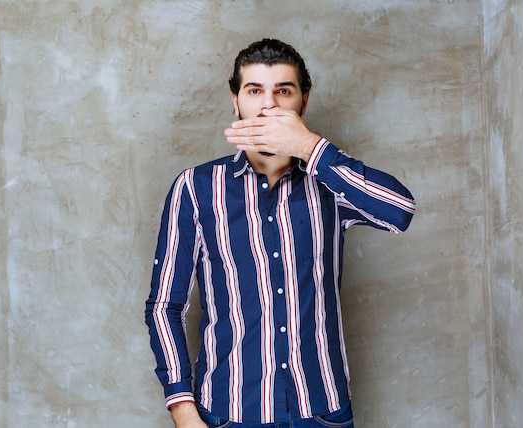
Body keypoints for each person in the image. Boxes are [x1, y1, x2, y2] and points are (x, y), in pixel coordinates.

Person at [145, 38, 416, 428]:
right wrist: (182, 408)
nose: (268, 105)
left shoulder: (331, 185)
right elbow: (165, 306)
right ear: (235, 100)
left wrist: (309, 146)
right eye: (254, 91)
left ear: (303, 103)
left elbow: (400, 211)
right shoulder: (195, 188)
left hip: (322, 412)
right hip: (228, 413)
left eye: (283, 91)